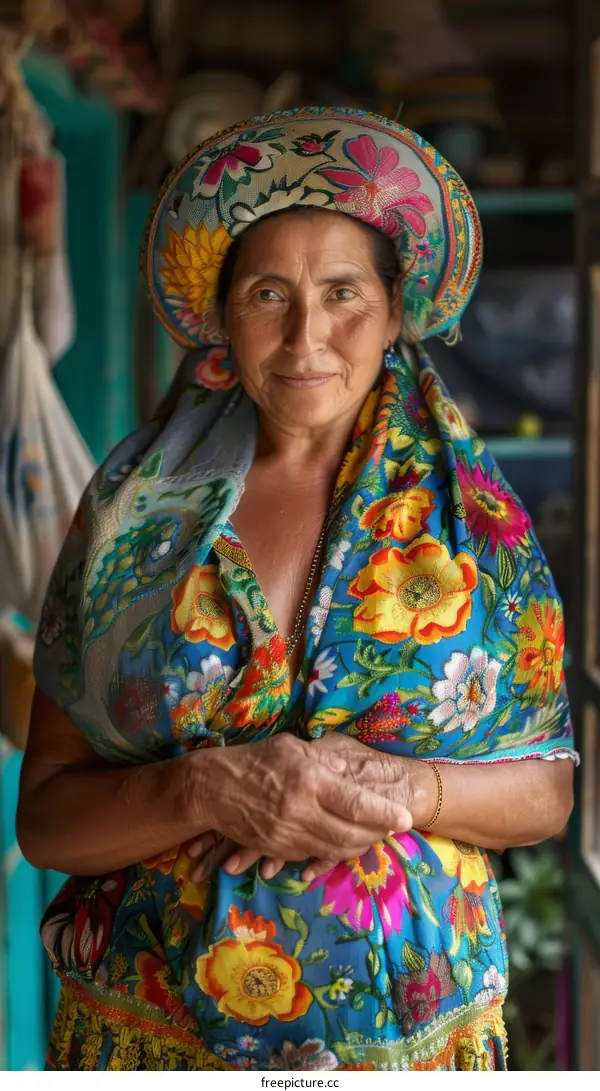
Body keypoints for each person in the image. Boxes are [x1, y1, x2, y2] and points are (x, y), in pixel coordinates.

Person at [18, 107, 576, 1072]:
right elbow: (47, 818)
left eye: (345, 292)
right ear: (224, 315)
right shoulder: (128, 514)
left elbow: (549, 791)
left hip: (411, 1042)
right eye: (270, 292)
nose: (306, 336)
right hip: (151, 1036)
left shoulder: (474, 523)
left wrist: (410, 786)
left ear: (398, 313)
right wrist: (200, 786)